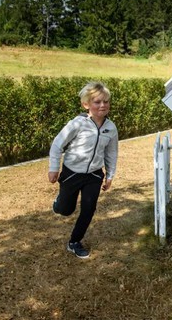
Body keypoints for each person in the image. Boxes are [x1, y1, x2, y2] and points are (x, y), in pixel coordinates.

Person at [48, 81, 118, 259]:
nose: (102, 105)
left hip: (94, 175)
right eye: (97, 102)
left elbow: (111, 153)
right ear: (86, 104)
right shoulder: (77, 124)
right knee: (65, 210)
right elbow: (57, 145)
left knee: (89, 209)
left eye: (106, 101)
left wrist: (109, 175)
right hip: (72, 172)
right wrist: (53, 168)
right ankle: (59, 203)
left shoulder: (111, 128)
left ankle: (74, 242)